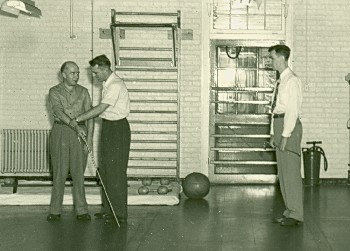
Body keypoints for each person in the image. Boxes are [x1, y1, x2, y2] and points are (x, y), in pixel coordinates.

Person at [75, 54, 131, 224]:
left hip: (117, 129)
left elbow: (100, 108)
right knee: (106, 171)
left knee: (116, 172)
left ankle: (119, 214)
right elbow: (101, 111)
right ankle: (109, 210)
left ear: (105, 69)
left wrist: (78, 118)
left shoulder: (115, 84)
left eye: (95, 72)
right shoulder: (107, 84)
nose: (94, 76)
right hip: (108, 127)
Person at [47, 61, 94, 221]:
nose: (76, 76)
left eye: (78, 73)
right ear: (64, 75)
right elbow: (59, 112)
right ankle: (55, 210)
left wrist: (90, 139)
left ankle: (81, 210)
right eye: (73, 73)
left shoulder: (84, 92)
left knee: (78, 173)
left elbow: (91, 117)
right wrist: (74, 125)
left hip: (80, 134)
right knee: (59, 172)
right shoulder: (54, 92)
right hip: (61, 132)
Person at [268, 45, 303, 227]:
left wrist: (285, 135)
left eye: (272, 58)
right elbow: (276, 110)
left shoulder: (292, 81)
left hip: (289, 126)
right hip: (280, 124)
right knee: (283, 173)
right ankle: (289, 211)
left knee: (291, 173)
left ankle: (296, 214)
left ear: (281, 58)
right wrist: (273, 133)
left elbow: (292, 111)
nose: (270, 61)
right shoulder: (280, 81)